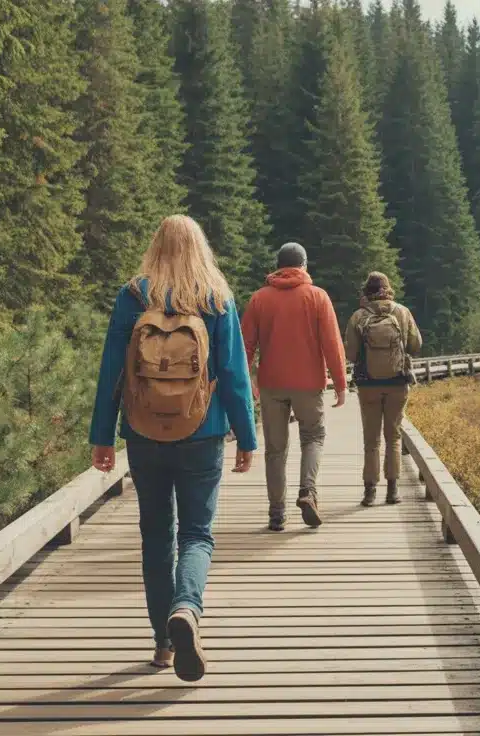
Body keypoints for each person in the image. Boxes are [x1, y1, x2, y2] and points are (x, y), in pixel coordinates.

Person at [89, 215, 256, 683]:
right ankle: (187, 608)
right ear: (200, 248)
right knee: (197, 534)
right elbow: (236, 377)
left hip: (143, 433)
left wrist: (102, 435)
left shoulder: (132, 296)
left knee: (156, 535)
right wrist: (247, 437)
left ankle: (163, 643)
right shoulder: (215, 299)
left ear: (155, 247)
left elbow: (111, 373)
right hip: (202, 433)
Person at [241, 242, 347, 531]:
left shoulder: (260, 298)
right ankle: (307, 492)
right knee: (313, 436)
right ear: (304, 266)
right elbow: (332, 344)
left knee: (275, 449)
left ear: (278, 265)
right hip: (308, 384)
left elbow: (244, 346)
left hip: (271, 385)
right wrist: (340, 383)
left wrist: (245, 381)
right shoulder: (317, 297)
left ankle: (276, 514)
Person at [345, 272, 422, 506]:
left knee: (372, 440)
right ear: (388, 289)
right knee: (394, 437)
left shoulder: (358, 316)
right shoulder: (402, 312)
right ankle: (393, 490)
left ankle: (369, 492)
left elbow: (350, 354)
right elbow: (416, 345)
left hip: (368, 385)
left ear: (366, 291)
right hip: (398, 383)